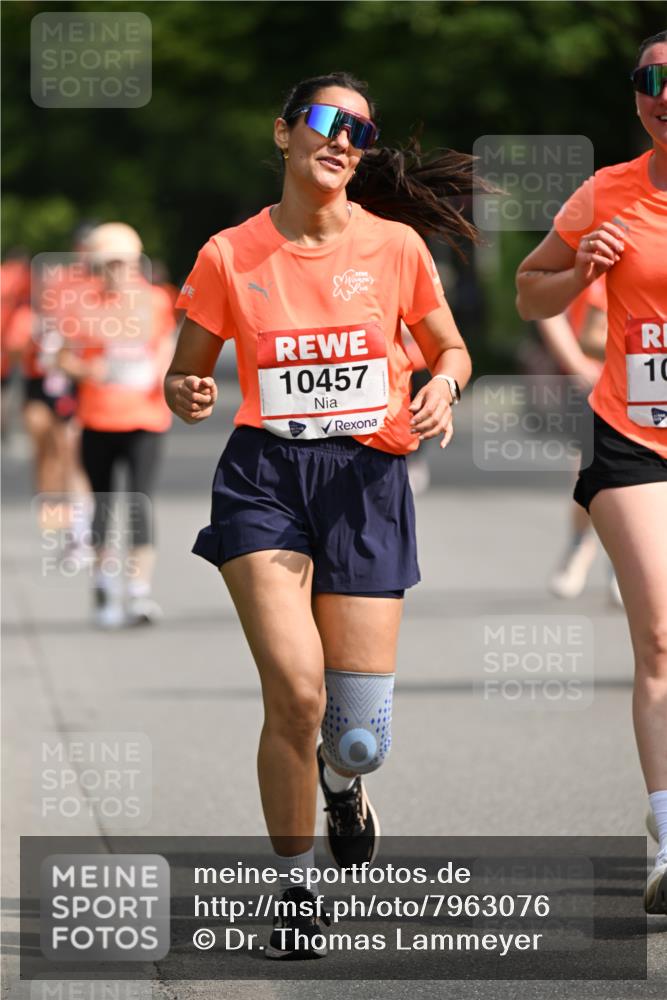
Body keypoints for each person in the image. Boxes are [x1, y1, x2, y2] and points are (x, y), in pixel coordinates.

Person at [165, 72, 483, 958]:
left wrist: (443, 383)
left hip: (366, 481)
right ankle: (295, 888)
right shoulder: (230, 254)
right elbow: (187, 372)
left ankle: (343, 785)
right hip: (265, 477)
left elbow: (448, 346)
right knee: (296, 695)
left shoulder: (394, 249)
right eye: (324, 120)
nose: (343, 138)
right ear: (282, 134)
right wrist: (186, 390)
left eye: (361, 131)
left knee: (356, 736)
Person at [516, 32, 667, 915]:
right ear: (636, 96)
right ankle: (665, 833)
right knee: (657, 636)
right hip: (631, 437)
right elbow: (531, 292)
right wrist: (579, 269)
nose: (665, 94)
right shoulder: (606, 192)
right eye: (651, 81)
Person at [59, 223, 176, 627]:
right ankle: (105, 586)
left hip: (146, 417)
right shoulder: (83, 305)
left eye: (126, 263)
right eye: (110, 264)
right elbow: (61, 357)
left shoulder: (157, 300)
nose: (120, 271)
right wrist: (89, 368)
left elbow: (167, 346)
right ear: (97, 266)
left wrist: (160, 370)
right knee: (104, 507)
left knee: (140, 503)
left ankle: (139, 592)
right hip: (98, 418)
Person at [535, 277, 622, 603]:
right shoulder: (599, 250)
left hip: (648, 387)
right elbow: (551, 310)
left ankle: (627, 560)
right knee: (590, 474)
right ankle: (580, 543)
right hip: (599, 384)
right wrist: (574, 363)